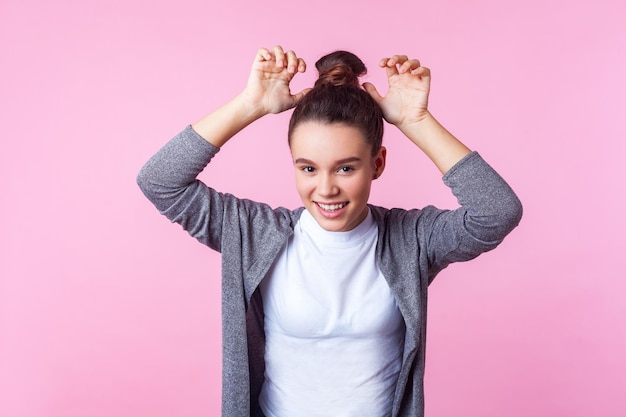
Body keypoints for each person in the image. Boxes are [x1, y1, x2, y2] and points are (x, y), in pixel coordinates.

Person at [137, 45, 522, 417]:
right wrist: (248, 105)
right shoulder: (255, 234)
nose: (325, 190)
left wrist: (415, 122)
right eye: (308, 168)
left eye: (345, 168)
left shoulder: (412, 239)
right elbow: (161, 181)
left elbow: (497, 212)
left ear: (378, 164)